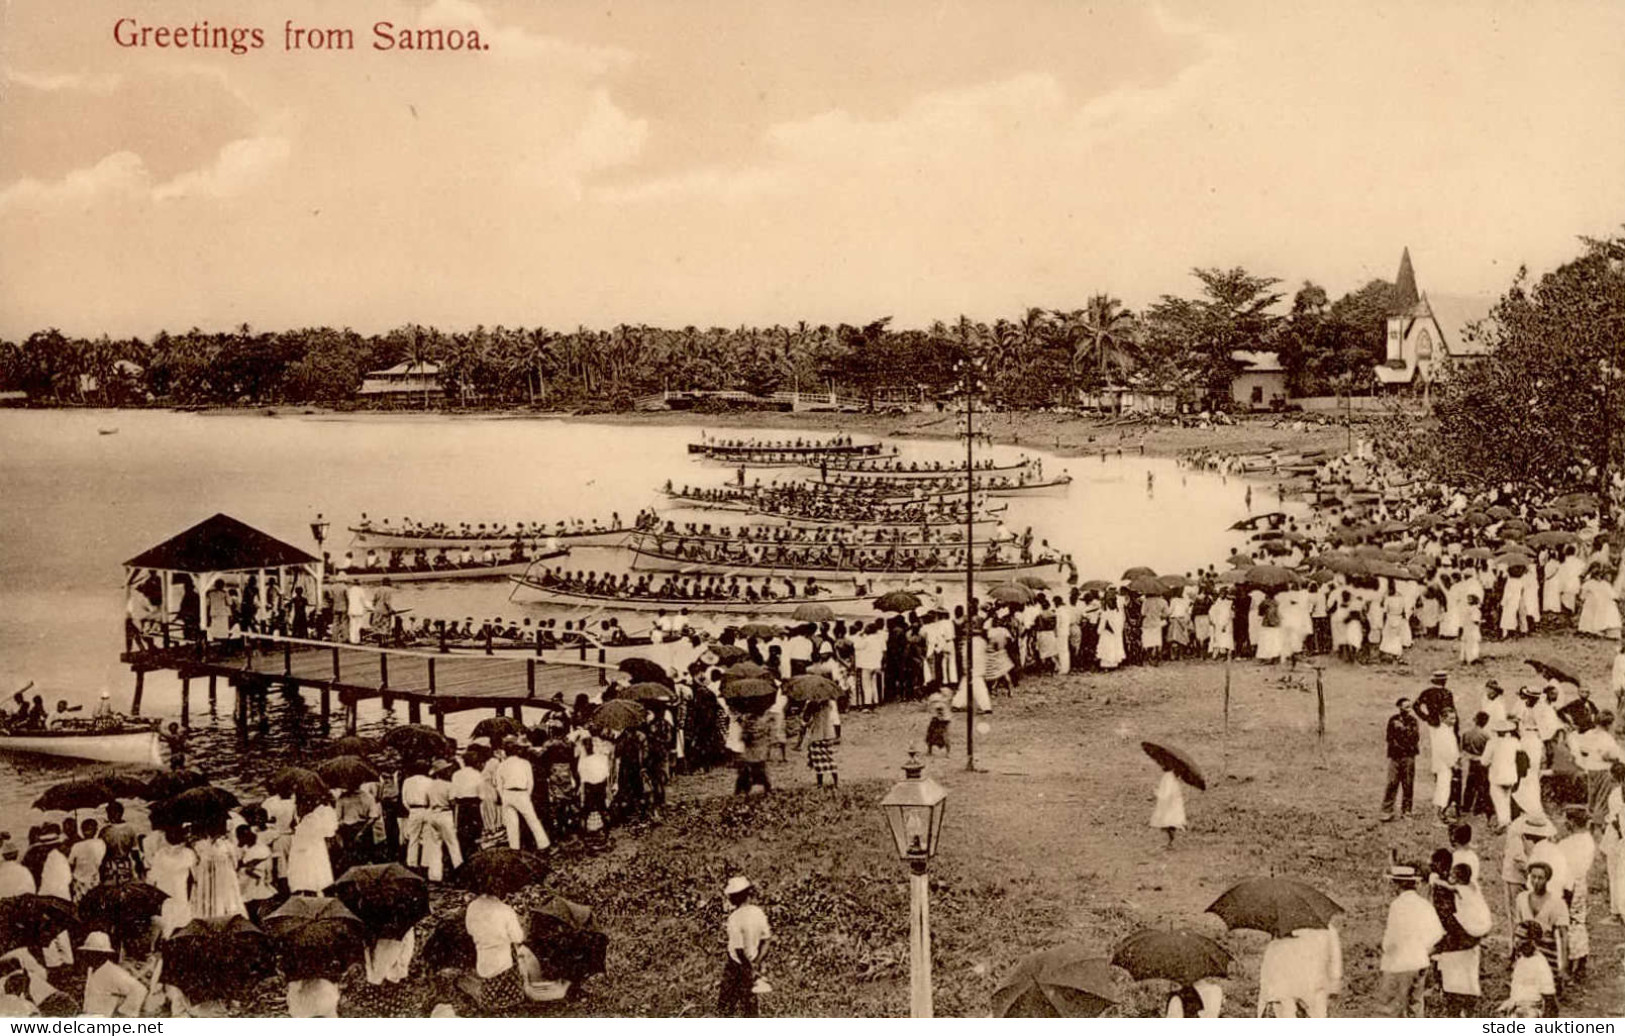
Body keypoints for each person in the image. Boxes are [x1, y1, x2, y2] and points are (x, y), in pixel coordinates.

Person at [1376, 864, 1443, 1017]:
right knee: (1416, 1005)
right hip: (1420, 962)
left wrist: (1386, 949)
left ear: (1397, 885)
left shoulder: (1397, 906)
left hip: (1401, 964)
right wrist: (1423, 951)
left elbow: (1391, 941)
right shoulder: (1425, 905)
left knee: (1394, 1009)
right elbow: (1437, 934)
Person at [1255, 923, 1342, 1017]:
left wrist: (1267, 993)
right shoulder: (1328, 928)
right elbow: (1335, 961)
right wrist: (1334, 986)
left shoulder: (1283, 928)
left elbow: (1271, 964)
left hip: (1287, 991)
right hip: (1313, 988)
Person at [464, 889, 527, 1015]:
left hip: (483, 956)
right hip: (503, 961)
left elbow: (470, 930)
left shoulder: (473, 906)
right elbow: (518, 937)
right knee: (510, 959)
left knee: (488, 982)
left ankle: (490, 1005)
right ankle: (507, 1006)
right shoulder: (505, 910)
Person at [1513, 860, 1569, 994]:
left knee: (1547, 987)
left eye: (1540, 878)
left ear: (1547, 879)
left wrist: (1564, 966)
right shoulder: (1521, 898)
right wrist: (1513, 954)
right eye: (1533, 877)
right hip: (1526, 949)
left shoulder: (1557, 903)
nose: (1536, 881)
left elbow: (1563, 935)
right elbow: (1517, 927)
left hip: (1546, 951)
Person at [718, 875, 770, 1017]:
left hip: (737, 966)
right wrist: (757, 964)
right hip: (753, 962)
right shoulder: (758, 913)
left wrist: (748, 968)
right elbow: (766, 941)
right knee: (750, 1006)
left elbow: (738, 949)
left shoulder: (734, 918)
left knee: (725, 1006)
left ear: (735, 897)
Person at [1555, 806, 1595, 982]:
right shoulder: (1588, 840)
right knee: (1579, 920)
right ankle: (1581, 961)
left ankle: (1570, 963)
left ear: (1571, 822)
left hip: (1569, 885)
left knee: (1568, 923)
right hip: (1580, 884)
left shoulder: (1567, 844)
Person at [497, 741, 550, 851]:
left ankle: (514, 847)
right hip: (521, 793)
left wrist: (503, 796)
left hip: (507, 793)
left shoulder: (502, 765)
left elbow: (499, 784)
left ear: (505, 752)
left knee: (511, 823)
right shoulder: (525, 763)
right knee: (532, 819)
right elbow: (530, 782)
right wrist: (527, 794)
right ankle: (543, 844)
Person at [77, 932, 146, 1017]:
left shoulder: (114, 972)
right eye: (87, 952)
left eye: (94, 953)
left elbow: (139, 989)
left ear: (104, 954)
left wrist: (124, 1013)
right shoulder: (91, 969)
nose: (88, 956)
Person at [1381, 697, 1420, 821]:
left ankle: (1407, 811)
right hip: (1395, 757)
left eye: (1410, 706)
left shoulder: (1413, 721)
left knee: (1408, 784)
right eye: (1406, 706)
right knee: (1392, 782)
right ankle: (1387, 810)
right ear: (1399, 707)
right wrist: (1398, 745)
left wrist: (1402, 729)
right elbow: (1389, 737)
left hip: (1409, 757)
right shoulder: (1393, 720)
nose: (1409, 709)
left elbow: (1414, 738)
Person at [1502, 936, 1556, 1018]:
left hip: (1532, 1007)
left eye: (1526, 944)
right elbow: (1516, 987)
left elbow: (1548, 993)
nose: (1523, 949)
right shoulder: (1521, 960)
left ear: (1533, 943)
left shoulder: (1540, 962)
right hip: (1518, 1004)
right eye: (1520, 945)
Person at [798, 698, 840, 788]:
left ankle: (820, 783)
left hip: (816, 736)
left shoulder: (812, 704)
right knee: (829, 758)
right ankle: (836, 782)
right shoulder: (829, 703)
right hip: (828, 734)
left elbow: (806, 718)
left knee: (818, 761)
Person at [66, 818, 105, 901]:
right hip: (94, 880)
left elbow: (70, 864)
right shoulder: (100, 843)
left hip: (79, 882)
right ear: (95, 830)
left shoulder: (76, 846)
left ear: (82, 830)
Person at [1149, 762, 1186, 847]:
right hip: (1172, 803)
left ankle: (1170, 842)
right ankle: (1170, 842)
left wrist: (1156, 792)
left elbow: (1166, 793)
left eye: (1164, 765)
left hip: (1170, 804)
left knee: (1168, 822)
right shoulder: (1172, 776)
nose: (1161, 766)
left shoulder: (1168, 776)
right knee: (1170, 823)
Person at [924, 691, 951, 756]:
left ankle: (947, 753)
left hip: (942, 720)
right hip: (936, 718)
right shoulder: (935, 696)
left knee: (943, 735)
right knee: (931, 735)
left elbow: (940, 709)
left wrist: (941, 717)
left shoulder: (939, 698)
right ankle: (929, 751)